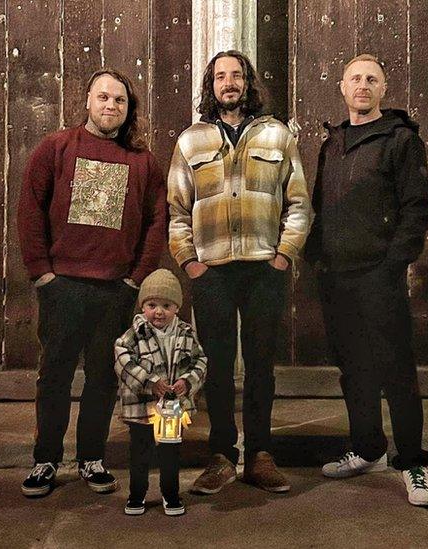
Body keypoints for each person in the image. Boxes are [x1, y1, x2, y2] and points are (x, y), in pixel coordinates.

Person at [17, 68, 168, 498]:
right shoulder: (57, 147)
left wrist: (135, 279)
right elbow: (30, 209)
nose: (110, 106)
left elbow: (157, 221)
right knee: (55, 377)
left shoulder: (142, 161)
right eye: (103, 97)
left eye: (119, 100)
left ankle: (91, 459)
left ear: (128, 108)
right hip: (62, 284)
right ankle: (45, 460)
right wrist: (42, 273)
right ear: (87, 101)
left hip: (114, 290)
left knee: (103, 378)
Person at [168, 50, 311, 494]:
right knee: (215, 366)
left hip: (263, 269)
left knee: (261, 366)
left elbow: (299, 204)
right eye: (220, 77)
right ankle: (221, 456)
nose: (228, 83)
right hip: (211, 272)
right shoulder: (191, 141)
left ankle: (260, 456)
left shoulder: (278, 136)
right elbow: (176, 210)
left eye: (236, 75)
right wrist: (190, 262)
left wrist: (283, 255)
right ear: (211, 86)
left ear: (248, 83)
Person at [305, 53, 428, 506]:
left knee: (396, 370)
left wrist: (391, 265)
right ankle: (366, 447)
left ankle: (414, 463)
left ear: (383, 89)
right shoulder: (333, 143)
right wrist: (315, 257)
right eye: (355, 78)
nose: (362, 85)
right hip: (336, 277)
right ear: (342, 87)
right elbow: (321, 207)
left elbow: (417, 208)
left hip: (378, 277)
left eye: (372, 79)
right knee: (354, 369)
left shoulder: (400, 140)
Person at [114, 268, 207, 516]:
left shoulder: (186, 333)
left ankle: (171, 494)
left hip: (172, 410)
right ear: (143, 306)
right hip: (141, 408)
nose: (159, 311)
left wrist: (187, 382)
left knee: (170, 453)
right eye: (152, 304)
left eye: (166, 305)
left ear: (176, 307)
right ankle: (136, 496)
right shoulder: (133, 335)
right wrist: (151, 382)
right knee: (140, 453)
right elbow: (123, 361)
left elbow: (200, 361)